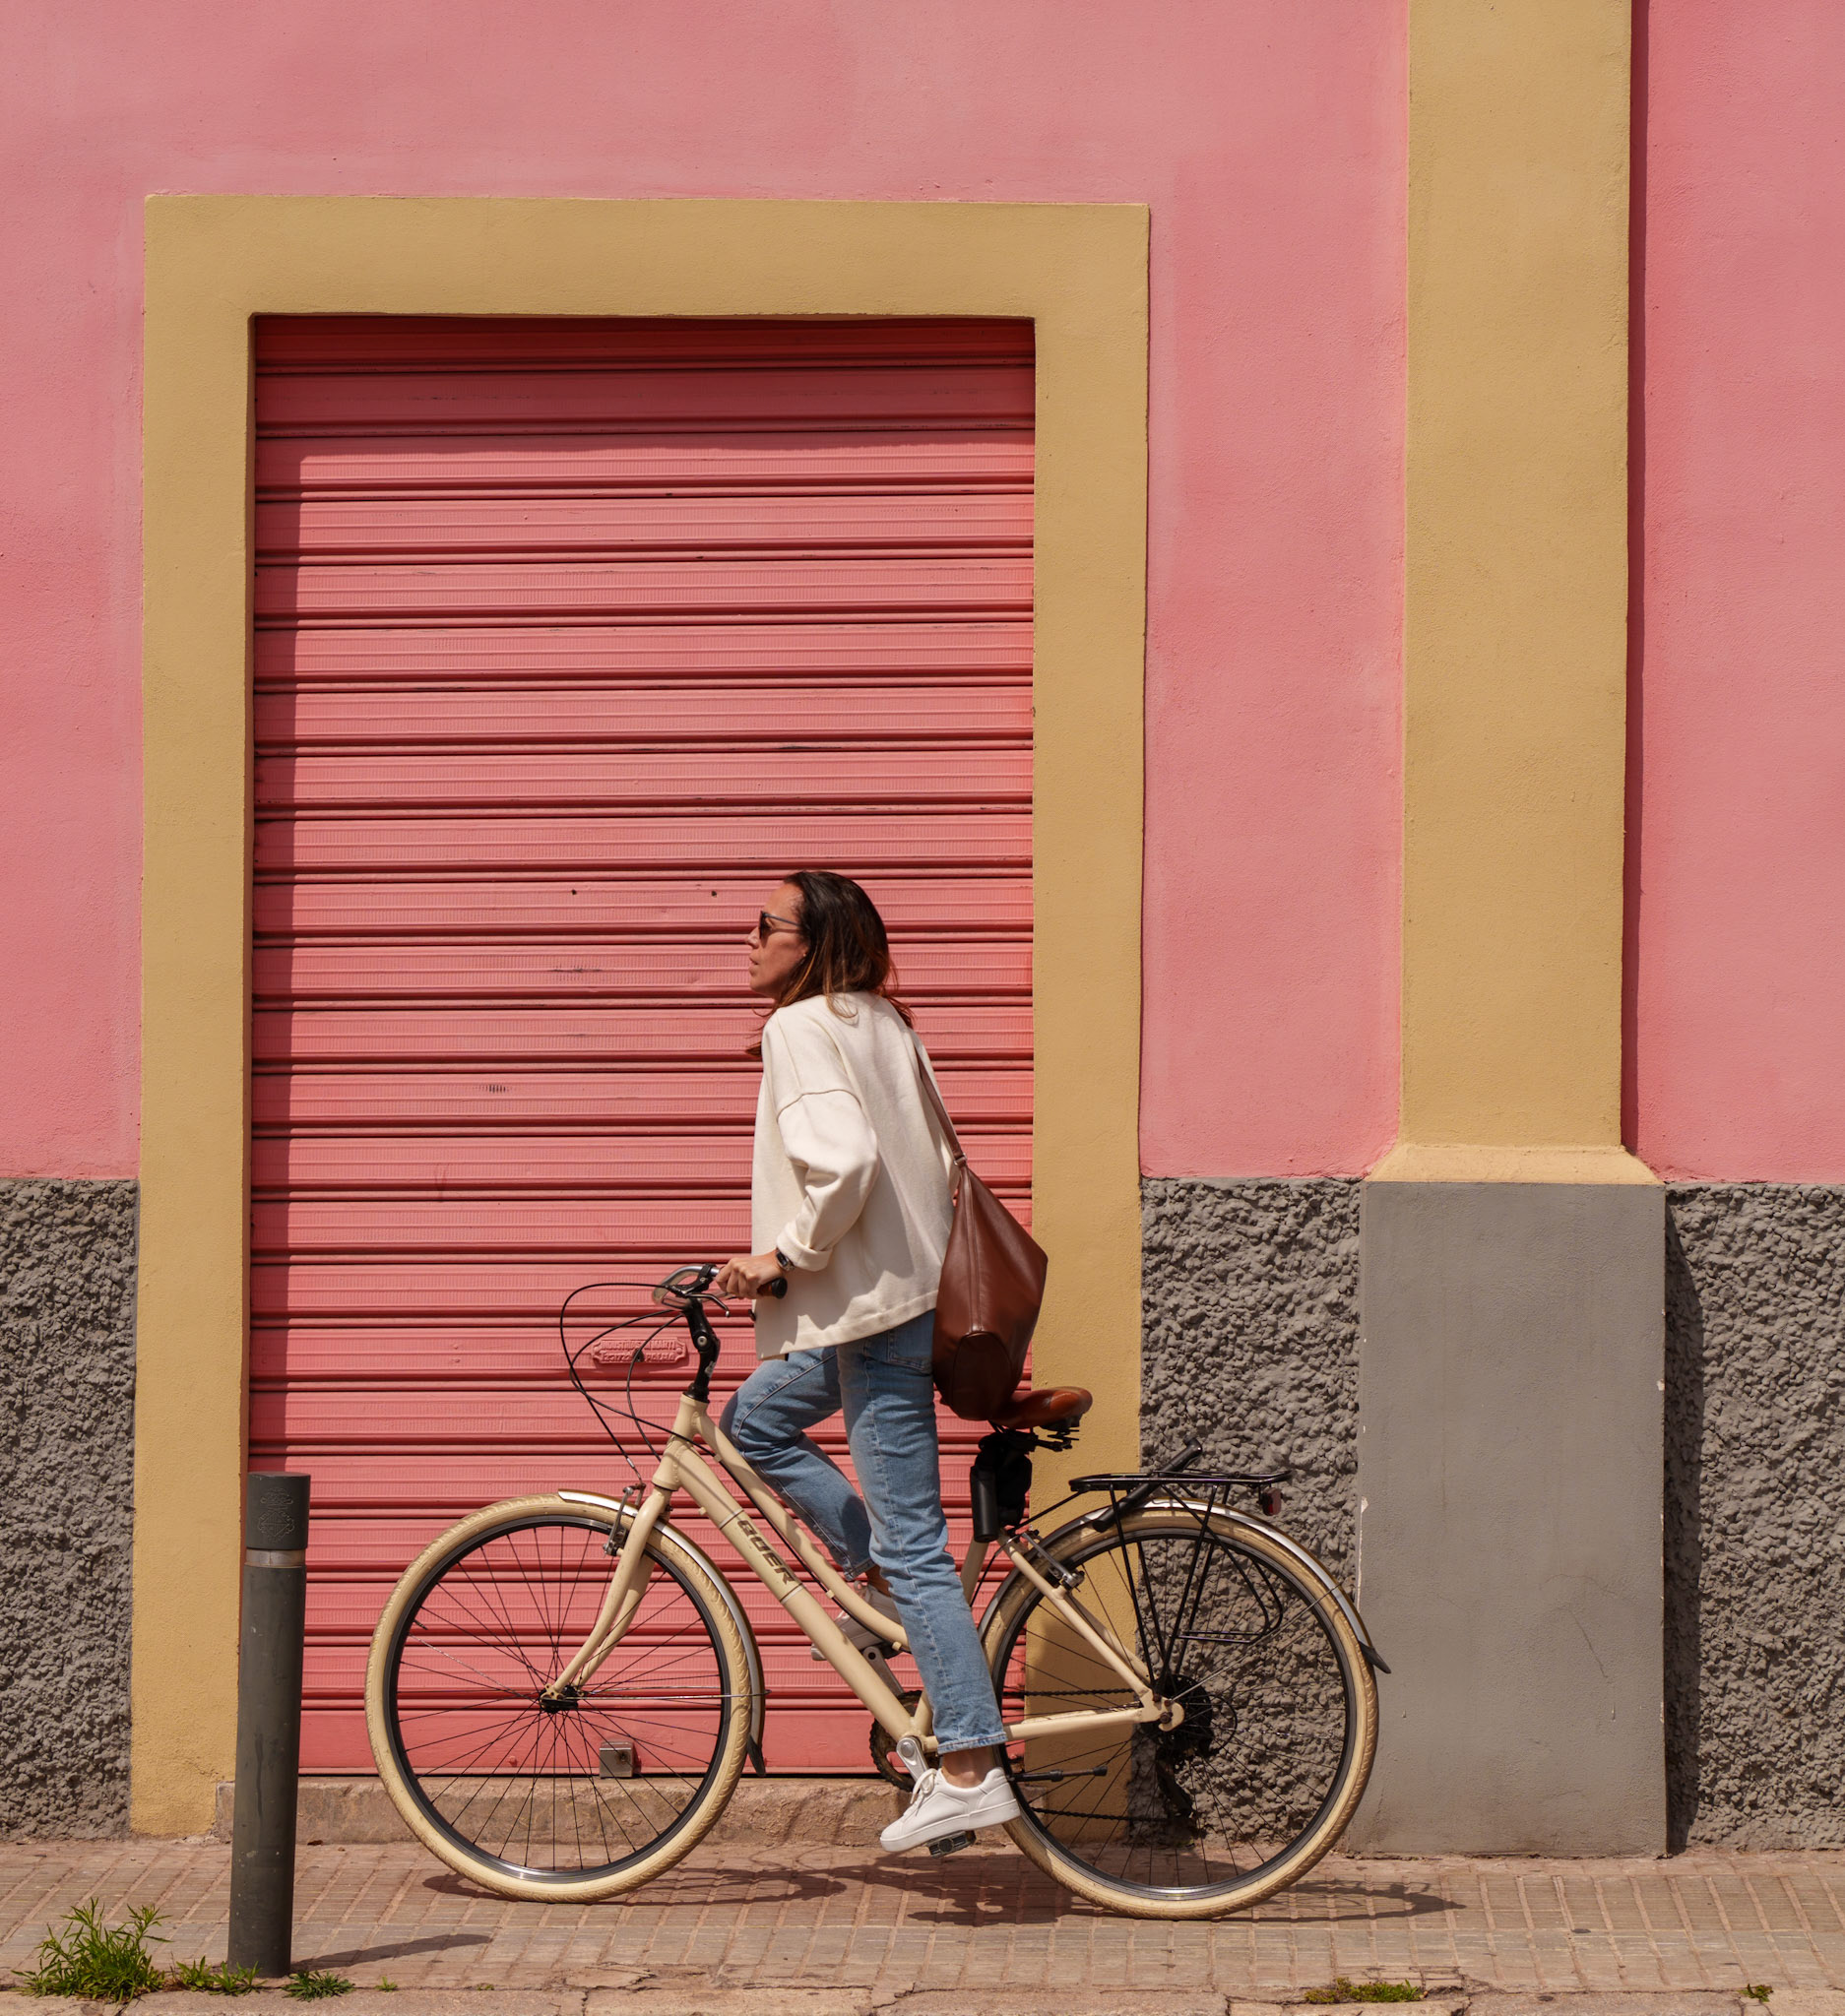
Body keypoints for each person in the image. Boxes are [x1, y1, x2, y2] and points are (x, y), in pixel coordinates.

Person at [713, 870, 1020, 1853]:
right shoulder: (884, 1019)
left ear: (811, 943)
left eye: (765, 925)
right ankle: (876, 1575)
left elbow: (843, 1162)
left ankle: (968, 1759)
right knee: (752, 1419)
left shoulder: (800, 1027)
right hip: (900, 1304)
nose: (747, 938)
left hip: (874, 1314)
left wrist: (780, 1256)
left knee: (918, 1544)